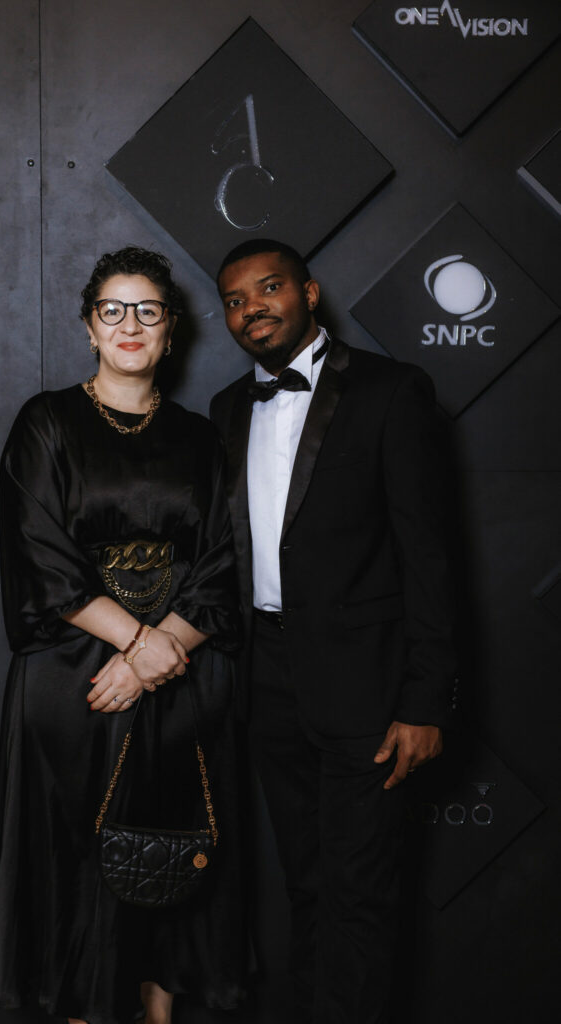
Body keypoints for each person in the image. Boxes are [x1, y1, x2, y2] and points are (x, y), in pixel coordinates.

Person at [0, 246, 248, 1024]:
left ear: (170, 331)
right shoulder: (47, 421)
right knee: (74, 869)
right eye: (112, 310)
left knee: (172, 868)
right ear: (89, 327)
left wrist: (160, 653)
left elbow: (223, 562)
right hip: (74, 683)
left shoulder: (201, 437)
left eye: (148, 310)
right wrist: (136, 645)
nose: (131, 324)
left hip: (182, 680)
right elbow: (39, 555)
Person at [210, 239, 458, 1024]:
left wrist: (425, 700)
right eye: (235, 300)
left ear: (309, 293)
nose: (252, 309)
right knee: (307, 885)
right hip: (266, 680)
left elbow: (428, 555)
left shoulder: (391, 390)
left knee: (360, 892)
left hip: (368, 684)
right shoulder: (224, 409)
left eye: (269, 288)